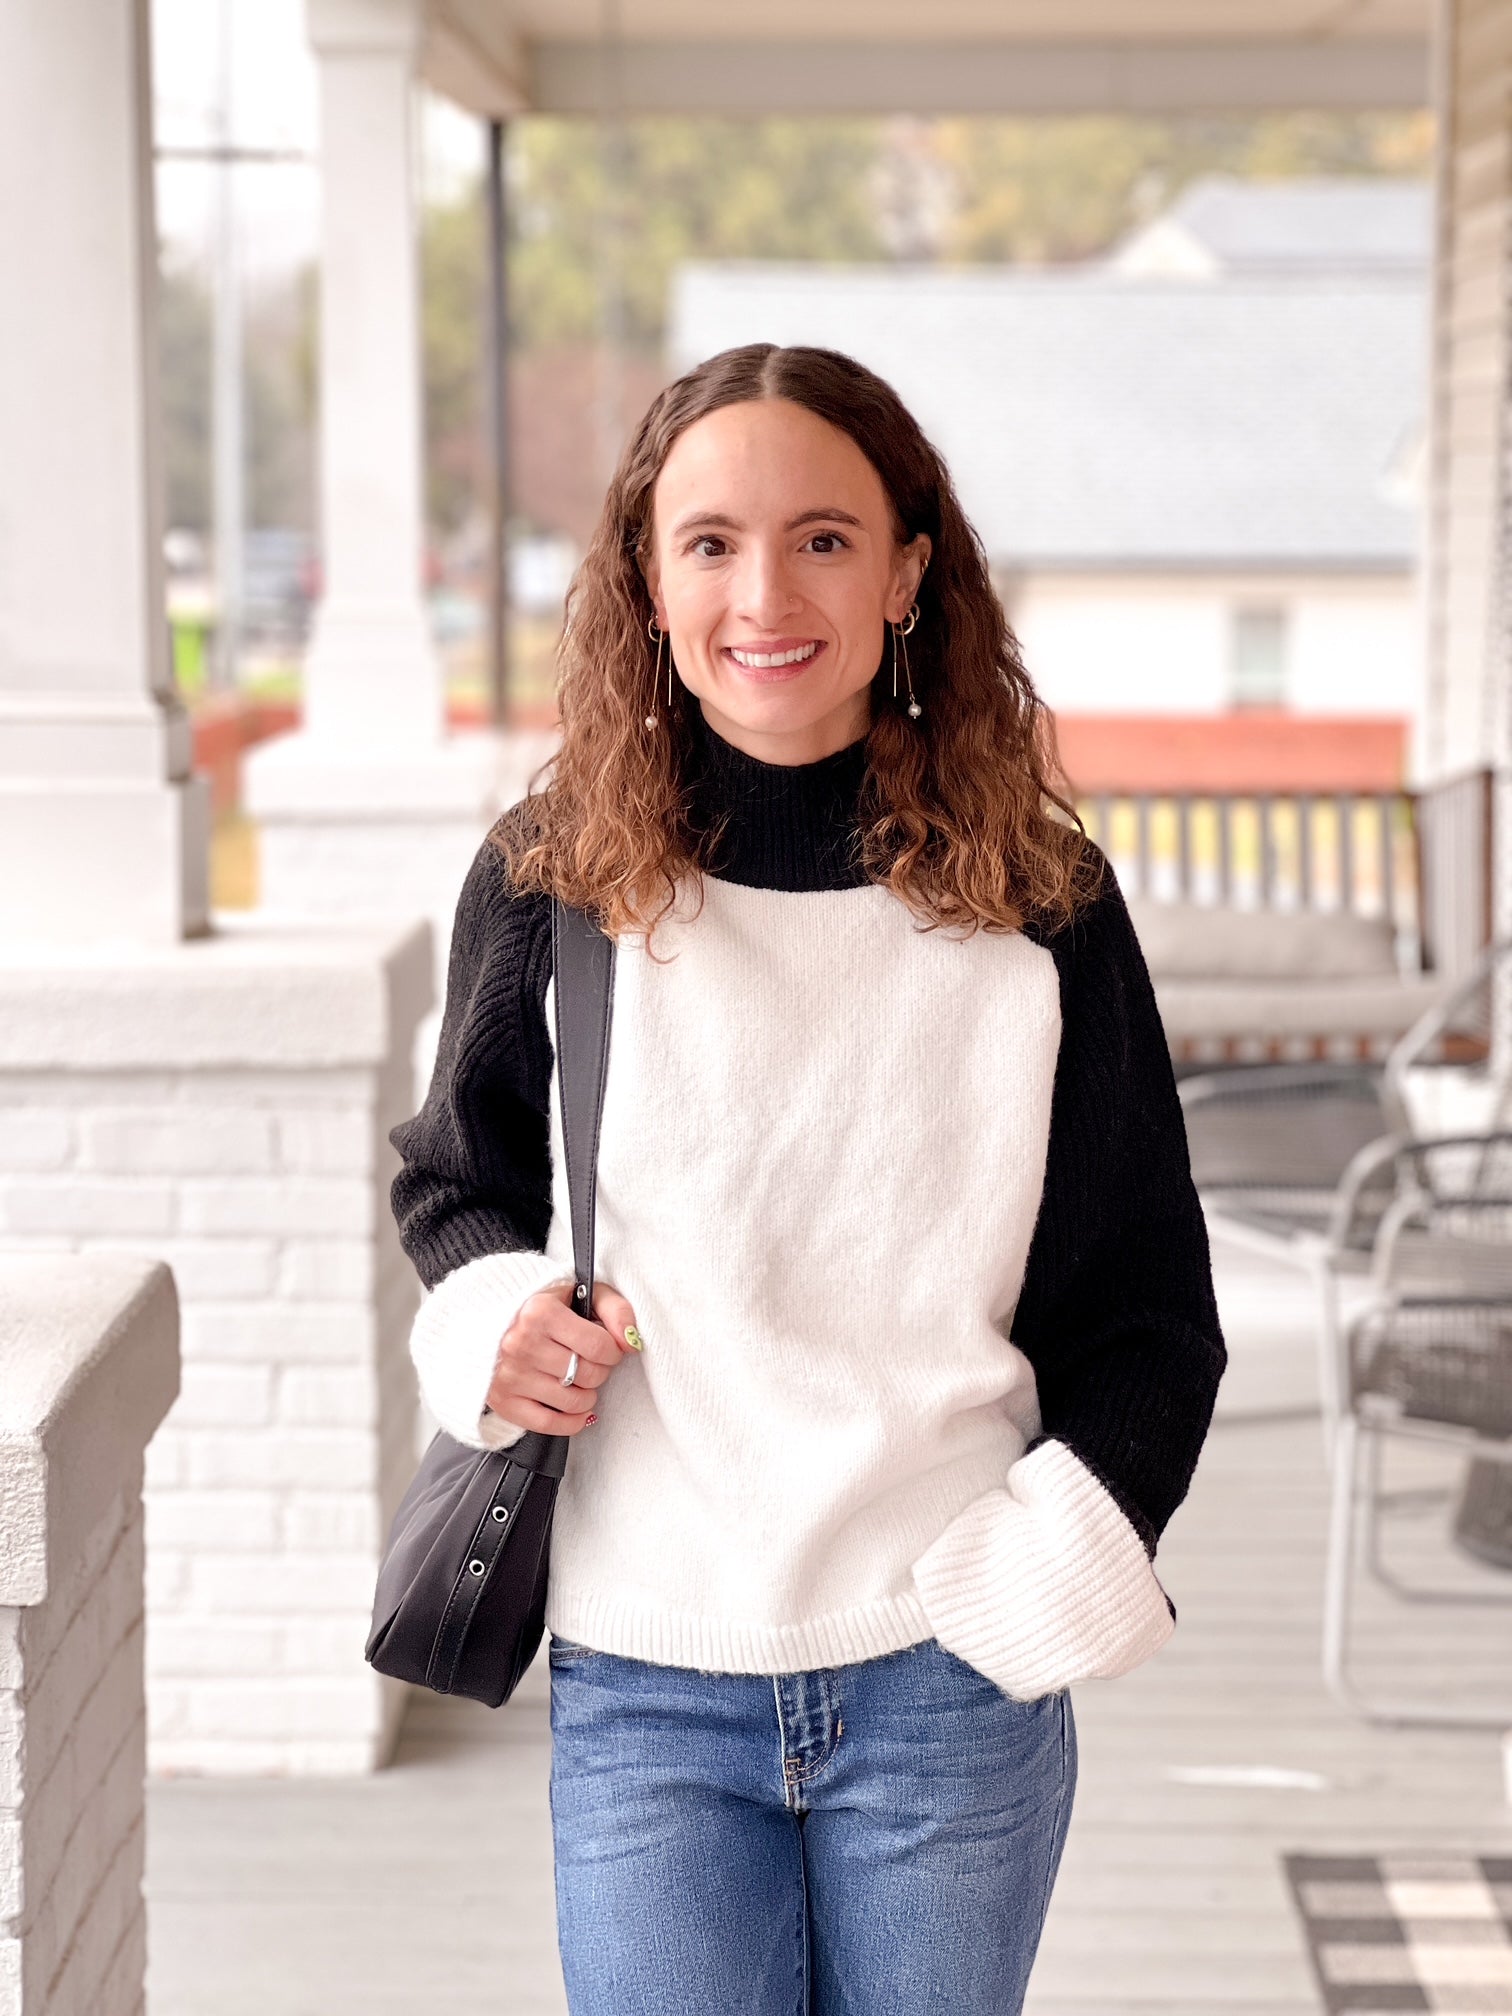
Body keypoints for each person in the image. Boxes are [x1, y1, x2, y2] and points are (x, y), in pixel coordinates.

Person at [388, 342, 1227, 2016]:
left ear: (910, 568)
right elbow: (454, 1184)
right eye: (709, 542)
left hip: (947, 1680)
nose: (765, 591)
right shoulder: (556, 875)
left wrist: (1043, 1561)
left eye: (825, 538)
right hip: (645, 1674)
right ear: (647, 575)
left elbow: (1147, 1312)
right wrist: (496, 1320)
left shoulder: (1038, 902)